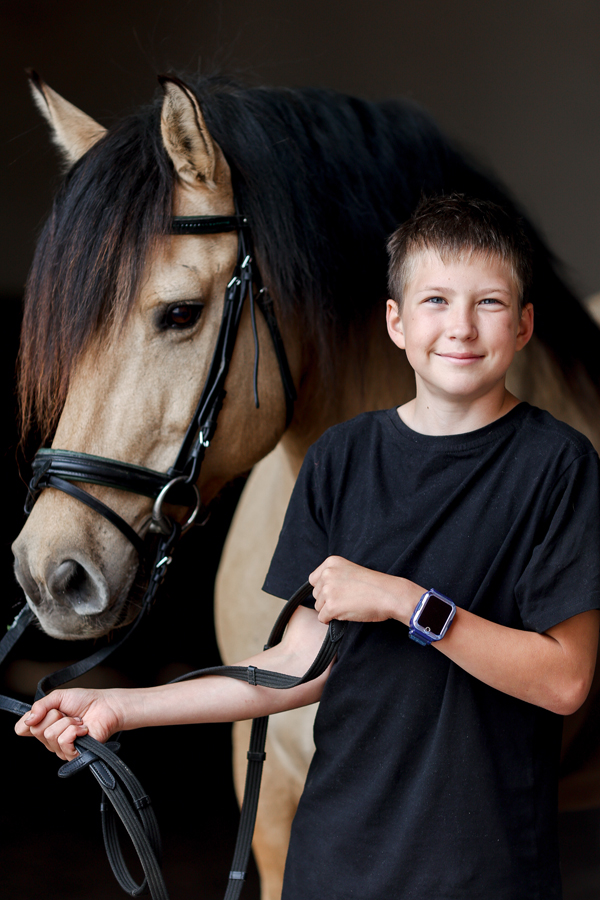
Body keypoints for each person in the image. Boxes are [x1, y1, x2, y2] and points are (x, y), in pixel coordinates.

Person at [16, 195, 600, 899]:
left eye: (490, 303)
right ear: (397, 322)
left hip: (485, 871)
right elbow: (294, 666)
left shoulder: (559, 466)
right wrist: (123, 708)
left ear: (524, 324)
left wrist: (407, 602)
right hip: (333, 863)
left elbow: (564, 681)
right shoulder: (338, 460)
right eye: (436, 300)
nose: (461, 327)